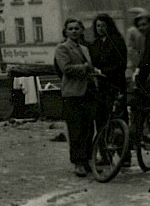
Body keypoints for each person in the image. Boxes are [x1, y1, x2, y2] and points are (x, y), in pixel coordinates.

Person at [55, 18, 102, 178]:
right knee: (76, 130)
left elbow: (88, 68)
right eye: (71, 29)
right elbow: (66, 68)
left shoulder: (84, 48)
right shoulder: (62, 48)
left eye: (77, 28)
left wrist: (94, 71)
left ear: (82, 30)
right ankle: (78, 163)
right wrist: (85, 68)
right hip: (73, 94)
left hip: (88, 92)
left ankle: (87, 160)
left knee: (89, 129)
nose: (74, 31)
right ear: (66, 32)